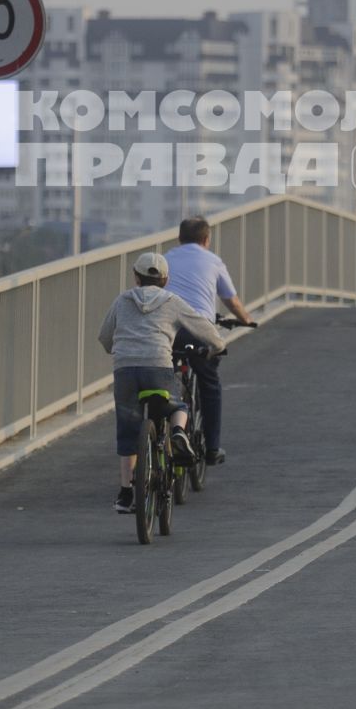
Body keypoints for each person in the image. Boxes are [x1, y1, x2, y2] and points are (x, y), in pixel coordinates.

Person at [97, 250, 226, 514]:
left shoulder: (122, 300)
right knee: (178, 405)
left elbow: (104, 336)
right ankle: (178, 432)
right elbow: (203, 328)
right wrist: (218, 346)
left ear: (136, 277)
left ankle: (125, 494)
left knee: (128, 429)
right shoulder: (172, 301)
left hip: (126, 371)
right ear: (166, 280)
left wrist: (116, 348)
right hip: (158, 366)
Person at [162, 216, 256, 465]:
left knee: (165, 376)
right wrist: (246, 319)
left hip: (168, 328)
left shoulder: (166, 259)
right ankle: (212, 448)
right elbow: (231, 300)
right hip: (199, 328)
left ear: (179, 238)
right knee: (209, 382)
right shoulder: (213, 261)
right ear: (206, 239)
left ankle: (162, 431)